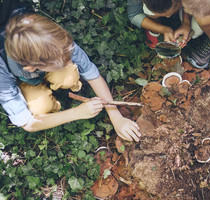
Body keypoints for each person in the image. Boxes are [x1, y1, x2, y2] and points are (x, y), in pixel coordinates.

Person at [0, 13, 141, 142]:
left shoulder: (54, 41)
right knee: (41, 107)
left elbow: (93, 76)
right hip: (23, 81)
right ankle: (53, 101)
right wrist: (78, 112)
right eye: (63, 62)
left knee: (69, 76)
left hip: (40, 67)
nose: (70, 61)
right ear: (30, 67)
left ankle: (69, 84)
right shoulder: (3, 73)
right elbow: (28, 123)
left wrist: (116, 118)